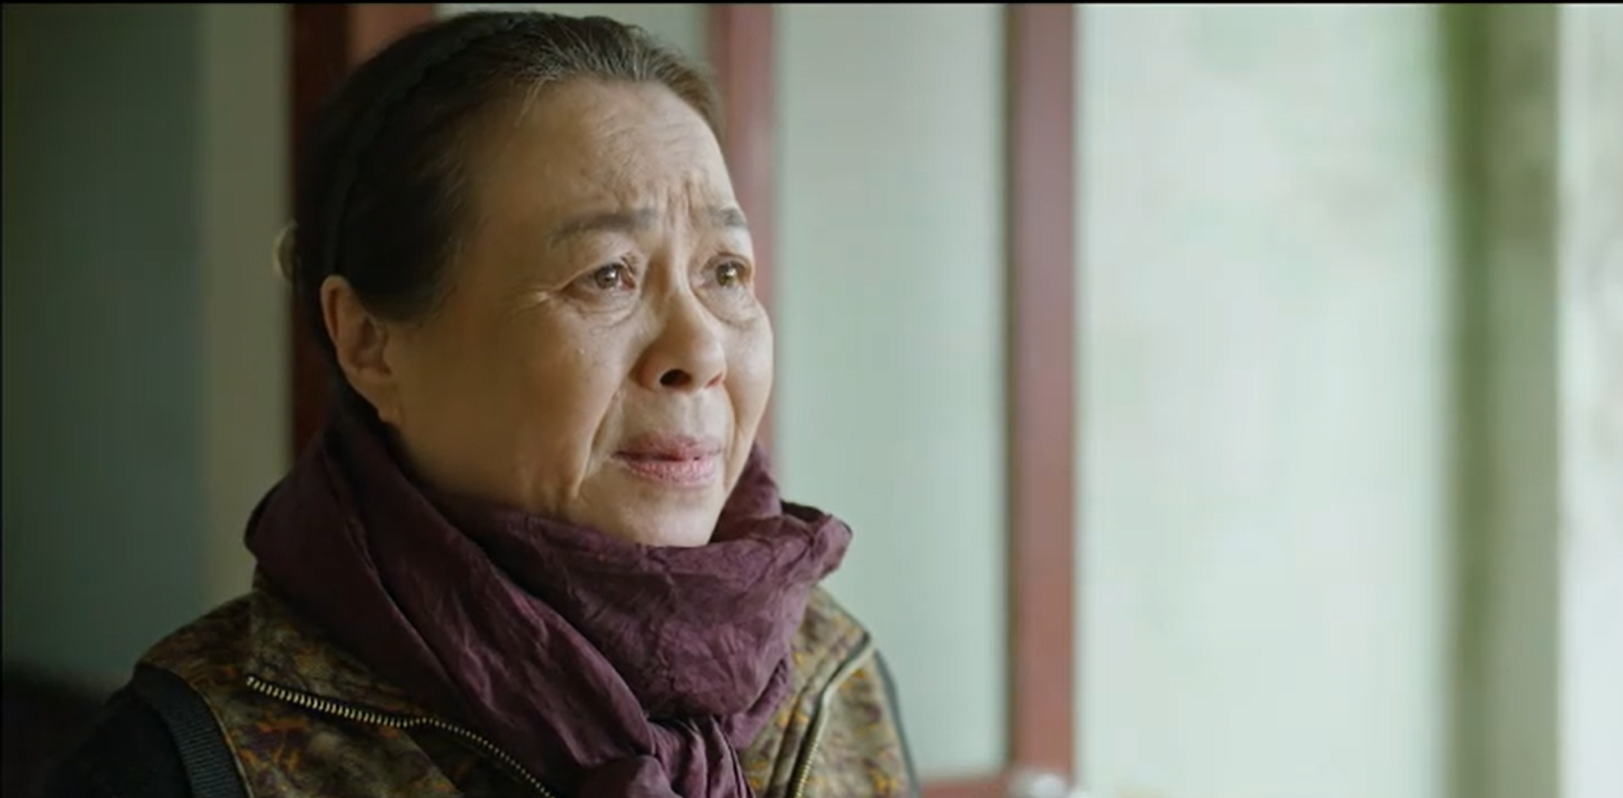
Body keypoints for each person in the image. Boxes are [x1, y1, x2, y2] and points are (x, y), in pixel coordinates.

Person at [46, 10, 916, 798]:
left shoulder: (829, 678)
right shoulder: (185, 761)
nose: (700, 354)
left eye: (725, 272)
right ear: (371, 344)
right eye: (607, 276)